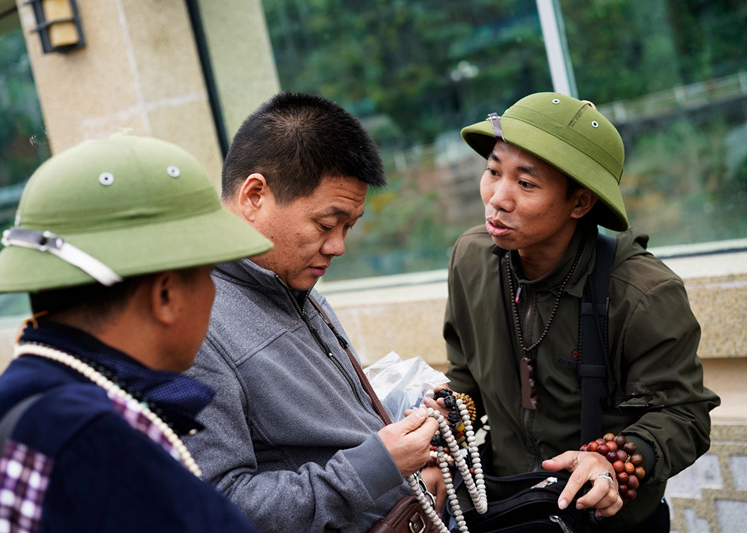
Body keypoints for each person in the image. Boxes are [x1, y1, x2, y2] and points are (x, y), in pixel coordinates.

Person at [0, 135, 274, 532]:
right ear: (166, 295)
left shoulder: (14, 399)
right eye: (208, 274)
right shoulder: (101, 437)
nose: (213, 292)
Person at [438, 92, 721, 531]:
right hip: (506, 510)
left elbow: (684, 416)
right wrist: (440, 432)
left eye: (525, 184)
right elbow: (466, 377)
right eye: (493, 171)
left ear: (580, 203)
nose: (497, 198)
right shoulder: (472, 258)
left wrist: (612, 458)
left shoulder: (643, 292)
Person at [183, 92, 440, 533]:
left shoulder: (296, 284)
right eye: (325, 224)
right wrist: (377, 467)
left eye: (348, 228)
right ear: (254, 195)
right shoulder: (193, 327)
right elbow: (221, 505)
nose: (337, 246)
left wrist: (410, 443)